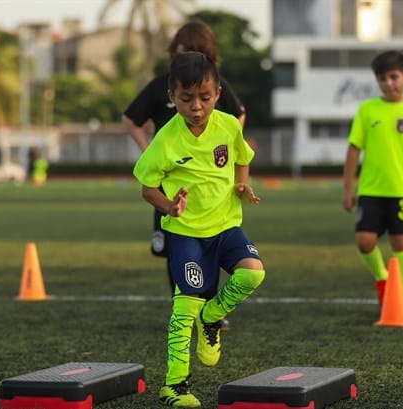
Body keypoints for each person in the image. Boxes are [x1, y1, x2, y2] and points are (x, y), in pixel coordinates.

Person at [133, 51, 265, 408]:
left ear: (217, 94)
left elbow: (242, 158)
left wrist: (241, 185)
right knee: (183, 310)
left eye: (204, 98)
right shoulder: (165, 139)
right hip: (187, 234)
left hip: (225, 227)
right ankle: (174, 386)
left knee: (253, 275)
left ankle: (213, 315)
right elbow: (148, 187)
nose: (196, 106)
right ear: (172, 97)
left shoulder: (229, 126)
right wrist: (169, 207)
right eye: (187, 99)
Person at [123, 21, 246, 319]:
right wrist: (148, 150)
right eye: (183, 52)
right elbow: (131, 118)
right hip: (170, 184)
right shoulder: (161, 86)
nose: (196, 104)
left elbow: (238, 116)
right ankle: (183, 307)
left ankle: (211, 309)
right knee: (174, 245)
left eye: (198, 52)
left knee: (214, 241)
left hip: (208, 188)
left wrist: (223, 153)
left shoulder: (216, 85)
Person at [342, 50, 403, 318]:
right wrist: (348, 188)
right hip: (371, 190)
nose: (389, 83)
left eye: (394, 77)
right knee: (364, 242)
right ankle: (383, 278)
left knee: (401, 243)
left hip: (402, 192)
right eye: (382, 78)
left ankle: (402, 299)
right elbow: (353, 149)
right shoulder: (367, 110)